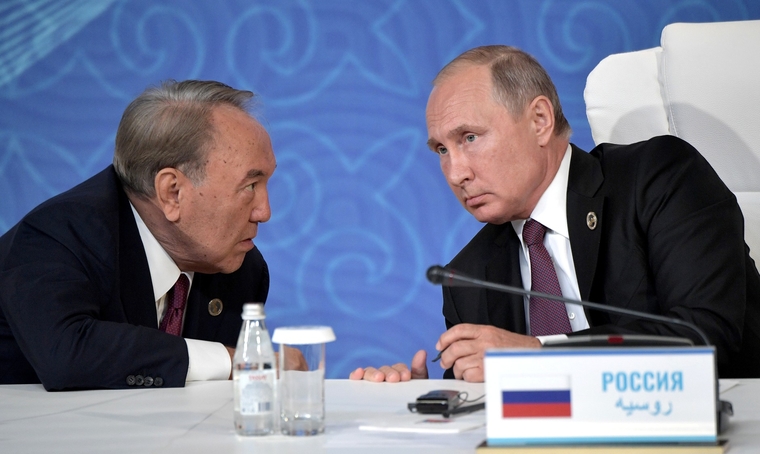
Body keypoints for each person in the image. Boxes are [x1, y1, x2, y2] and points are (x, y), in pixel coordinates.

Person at [350, 45, 760, 383]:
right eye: (442, 149)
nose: (456, 173)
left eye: (470, 137)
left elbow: (704, 337)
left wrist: (539, 354)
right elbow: (491, 405)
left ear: (540, 121)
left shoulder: (658, 178)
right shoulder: (469, 278)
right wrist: (427, 395)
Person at [0, 80, 276, 390]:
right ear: (172, 192)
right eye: (250, 186)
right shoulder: (59, 235)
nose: (264, 212)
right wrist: (234, 361)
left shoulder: (242, 270)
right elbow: (67, 354)